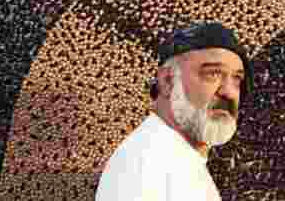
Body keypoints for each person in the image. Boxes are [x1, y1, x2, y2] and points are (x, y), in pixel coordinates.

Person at [95, 22, 255, 201]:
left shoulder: (177, 160)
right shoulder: (147, 163)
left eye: (236, 79)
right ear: (167, 81)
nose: (229, 92)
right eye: (213, 74)